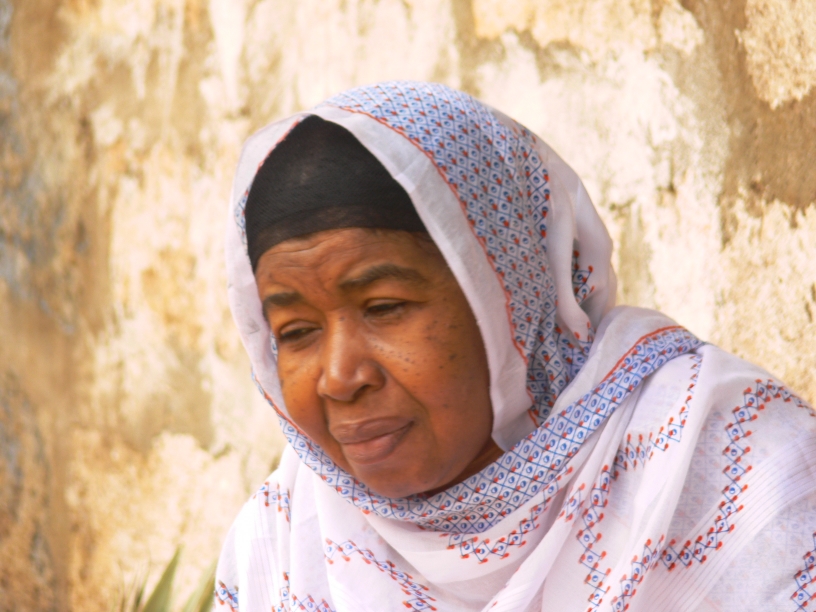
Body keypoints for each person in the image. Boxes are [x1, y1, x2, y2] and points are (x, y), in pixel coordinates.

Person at [215, 81, 816, 612]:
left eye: (384, 307)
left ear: (513, 292)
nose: (340, 377)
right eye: (296, 332)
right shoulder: (287, 537)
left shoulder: (724, 461)